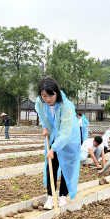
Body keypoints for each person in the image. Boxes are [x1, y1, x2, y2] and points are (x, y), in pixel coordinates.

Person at [35, 77, 80, 210]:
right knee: (51, 165)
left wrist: (53, 148)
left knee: (67, 165)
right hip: (54, 134)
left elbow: (66, 133)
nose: (47, 99)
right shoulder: (40, 102)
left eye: (51, 95)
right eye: (44, 96)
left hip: (70, 139)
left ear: (57, 93)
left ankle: (62, 195)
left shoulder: (66, 107)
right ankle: (50, 196)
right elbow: (42, 115)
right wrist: (44, 127)